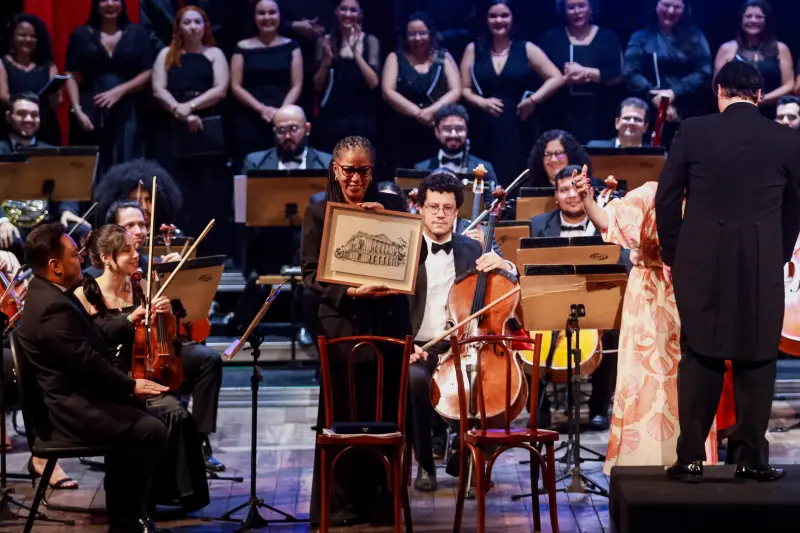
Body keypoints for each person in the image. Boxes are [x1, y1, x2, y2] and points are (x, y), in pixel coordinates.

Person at [656, 59, 800, 482]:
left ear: (719, 92)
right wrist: (779, 248)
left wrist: (674, 254)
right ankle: (752, 457)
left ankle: (690, 459)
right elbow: (795, 204)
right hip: (761, 261)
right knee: (757, 357)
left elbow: (666, 199)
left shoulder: (694, 132)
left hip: (699, 261)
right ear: (758, 96)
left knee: (701, 354)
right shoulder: (785, 140)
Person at [15, 222, 169, 532]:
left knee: (140, 415)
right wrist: (130, 385)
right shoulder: (51, 308)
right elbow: (85, 363)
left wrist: (128, 320)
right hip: (66, 413)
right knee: (151, 429)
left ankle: (127, 513)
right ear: (55, 266)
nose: (82, 261)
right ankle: (127, 521)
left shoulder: (50, 293)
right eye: (75, 255)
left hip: (71, 398)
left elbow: (91, 335)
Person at [572, 166, 719, 474]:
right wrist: (586, 199)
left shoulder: (709, 193)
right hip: (649, 294)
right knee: (645, 378)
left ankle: (690, 457)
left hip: (694, 290)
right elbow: (609, 221)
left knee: (692, 375)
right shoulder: (652, 192)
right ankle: (642, 462)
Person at [301, 135, 410, 526]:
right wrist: (349, 289)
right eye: (348, 170)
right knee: (341, 416)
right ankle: (339, 506)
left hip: (387, 327)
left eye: (363, 171)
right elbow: (310, 273)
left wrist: (389, 221)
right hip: (342, 328)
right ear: (335, 168)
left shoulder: (394, 205)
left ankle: (381, 505)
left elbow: (415, 258)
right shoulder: (319, 211)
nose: (355, 179)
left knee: (383, 417)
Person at [74, 224, 210, 511]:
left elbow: (166, 336)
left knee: (177, 414)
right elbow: (91, 339)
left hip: (142, 372)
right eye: (127, 250)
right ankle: (136, 505)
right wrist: (128, 320)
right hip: (107, 379)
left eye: (135, 248)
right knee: (163, 414)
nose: (137, 254)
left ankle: (169, 497)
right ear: (107, 258)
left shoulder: (142, 287)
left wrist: (166, 314)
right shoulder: (85, 294)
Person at [91, 201, 226, 472]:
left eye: (142, 224)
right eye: (130, 226)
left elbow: (182, 312)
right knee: (169, 404)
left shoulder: (153, 265)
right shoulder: (98, 278)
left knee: (208, 359)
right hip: (129, 359)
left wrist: (179, 283)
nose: (139, 231)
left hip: (161, 347)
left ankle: (199, 439)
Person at [407, 170, 516, 492]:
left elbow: (510, 286)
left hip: (464, 346)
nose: (440, 215)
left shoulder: (471, 249)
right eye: (433, 207)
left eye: (448, 208)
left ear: (457, 211)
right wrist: (407, 344)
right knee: (415, 383)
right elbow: (393, 305)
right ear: (421, 209)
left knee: (483, 383)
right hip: (419, 346)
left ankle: (468, 457)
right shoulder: (406, 249)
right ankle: (425, 464)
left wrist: (505, 265)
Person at [529, 165, 626, 431]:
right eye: (564, 189)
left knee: (610, 334)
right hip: (551, 303)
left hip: (593, 304)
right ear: (556, 195)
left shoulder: (606, 222)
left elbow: (623, 264)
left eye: (576, 188)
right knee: (527, 332)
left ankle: (598, 408)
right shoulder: (538, 225)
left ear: (588, 192)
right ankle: (540, 409)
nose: (571, 195)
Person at [460, 0, 562, 187]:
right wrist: (481, 102)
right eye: (493, 16)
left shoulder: (526, 48)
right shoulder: (474, 49)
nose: (499, 20)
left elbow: (556, 77)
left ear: (513, 19)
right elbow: (464, 89)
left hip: (518, 126)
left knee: (515, 175)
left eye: (504, 15)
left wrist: (533, 100)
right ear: (486, 19)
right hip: (483, 126)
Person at [65, 0, 154, 178]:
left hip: (130, 109)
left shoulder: (138, 33)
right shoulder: (80, 35)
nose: (110, 4)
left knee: (129, 160)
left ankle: (127, 206)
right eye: (104, 0)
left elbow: (148, 71)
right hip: (90, 109)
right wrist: (77, 110)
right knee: (91, 167)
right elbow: (70, 74)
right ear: (96, 5)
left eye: (115, 0)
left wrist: (120, 90)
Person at [0, 93, 87, 248]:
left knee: (81, 231)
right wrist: (2, 220)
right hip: (9, 222)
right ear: (8, 116)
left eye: (34, 115)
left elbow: (66, 187)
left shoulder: (52, 152)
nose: (28, 119)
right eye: (21, 114)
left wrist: (67, 210)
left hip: (46, 223)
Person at [382, 11, 462, 170]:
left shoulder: (443, 57)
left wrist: (431, 111)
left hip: (434, 128)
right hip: (402, 129)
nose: (417, 38)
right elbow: (387, 91)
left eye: (422, 33)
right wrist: (417, 113)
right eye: (412, 34)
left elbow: (456, 90)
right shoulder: (395, 57)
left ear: (430, 34)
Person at [230, 0, 302, 168]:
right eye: (261, 13)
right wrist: (262, 109)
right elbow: (235, 86)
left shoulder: (292, 46)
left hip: (284, 120)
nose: (267, 17)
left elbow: (297, 85)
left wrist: (282, 114)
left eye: (272, 12)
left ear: (279, 15)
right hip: (249, 116)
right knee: (248, 167)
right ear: (254, 17)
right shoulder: (242, 46)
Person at [539, 0, 624, 143]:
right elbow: (541, 76)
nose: (577, 11)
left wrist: (586, 72)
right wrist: (566, 79)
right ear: (563, 10)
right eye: (571, 7)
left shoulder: (608, 37)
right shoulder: (551, 38)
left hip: (600, 114)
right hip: (561, 114)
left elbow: (617, 75)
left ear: (591, 8)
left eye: (581, 6)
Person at [312, 0, 381, 153]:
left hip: (362, 115)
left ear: (360, 14)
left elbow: (374, 83)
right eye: (343, 9)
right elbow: (317, 85)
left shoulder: (370, 41)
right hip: (332, 116)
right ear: (336, 12)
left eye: (353, 10)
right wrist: (326, 62)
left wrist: (356, 53)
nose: (348, 14)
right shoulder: (325, 41)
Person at [713, 0, 793, 120]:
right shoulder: (727, 48)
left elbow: (789, 84)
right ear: (741, 20)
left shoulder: (780, 48)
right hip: (736, 114)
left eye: (759, 17)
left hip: (772, 114)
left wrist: (762, 99)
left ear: (767, 21)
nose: (753, 20)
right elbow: (716, 85)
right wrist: (740, 102)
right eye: (749, 16)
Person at [0, 14, 62, 146]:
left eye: (33, 36)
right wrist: (26, 108)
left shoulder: (48, 65)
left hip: (44, 125)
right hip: (13, 125)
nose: (28, 39)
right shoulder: (3, 63)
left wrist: (55, 98)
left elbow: (57, 100)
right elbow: (3, 97)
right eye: (22, 35)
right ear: (12, 37)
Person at [413, 103, 498, 188]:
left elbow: (493, 200)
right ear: (437, 132)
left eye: (459, 129)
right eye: (447, 129)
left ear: (467, 131)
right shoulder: (420, 168)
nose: (453, 135)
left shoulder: (485, 168)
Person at [241, 104, 331, 172]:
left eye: (294, 129)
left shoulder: (327, 163)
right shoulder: (255, 163)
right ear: (274, 132)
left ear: (307, 129)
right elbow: (243, 196)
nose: (287, 136)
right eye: (281, 130)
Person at [587, 97, 651, 148]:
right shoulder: (594, 148)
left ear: (645, 127)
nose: (631, 122)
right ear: (617, 123)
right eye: (627, 118)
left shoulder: (654, 155)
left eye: (637, 119)